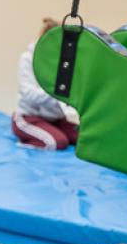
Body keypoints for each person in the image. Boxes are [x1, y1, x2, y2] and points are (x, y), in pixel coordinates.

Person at [13, 18, 79, 151]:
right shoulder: (28, 58)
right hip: (29, 117)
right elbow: (28, 94)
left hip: (55, 119)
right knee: (58, 142)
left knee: (84, 139)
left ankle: (51, 130)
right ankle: (24, 143)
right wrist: (59, 97)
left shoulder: (61, 61)